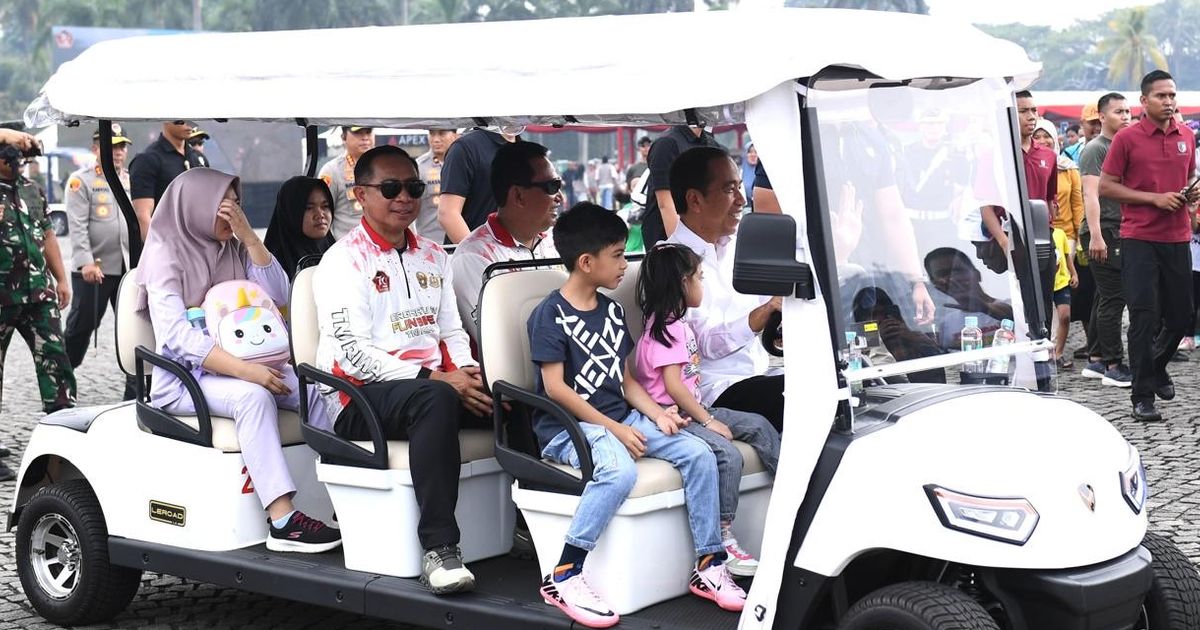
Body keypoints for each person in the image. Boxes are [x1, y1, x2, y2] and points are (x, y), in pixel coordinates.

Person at [529, 202, 744, 628]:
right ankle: (565, 573)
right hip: (569, 428)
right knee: (618, 471)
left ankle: (709, 562)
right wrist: (615, 429)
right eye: (616, 255)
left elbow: (626, 380)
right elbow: (556, 389)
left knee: (699, 454)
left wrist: (658, 413)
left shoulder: (610, 311)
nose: (625, 263)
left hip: (620, 418)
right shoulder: (549, 315)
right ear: (587, 262)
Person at [313, 145, 488, 594]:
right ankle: (439, 548)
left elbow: (451, 332)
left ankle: (536, 525)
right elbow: (352, 352)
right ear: (359, 196)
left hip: (433, 387)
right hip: (357, 396)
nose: (404, 197)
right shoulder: (342, 261)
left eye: (412, 187)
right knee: (435, 399)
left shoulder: (434, 255)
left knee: (509, 393)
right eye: (390, 188)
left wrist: (467, 374)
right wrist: (437, 380)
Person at [136, 168, 341, 552]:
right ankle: (283, 520)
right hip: (185, 379)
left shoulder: (232, 246)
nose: (232, 215)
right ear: (197, 207)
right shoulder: (165, 255)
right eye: (224, 207)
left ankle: (348, 491)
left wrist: (249, 237)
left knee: (318, 391)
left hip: (251, 362)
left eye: (238, 206)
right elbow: (177, 338)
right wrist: (249, 373)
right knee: (253, 398)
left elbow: (280, 294)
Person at [632, 242, 779, 577]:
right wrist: (709, 420)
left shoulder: (679, 324)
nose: (703, 284)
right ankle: (723, 536)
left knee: (757, 424)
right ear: (682, 284)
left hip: (693, 407)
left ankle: (793, 493)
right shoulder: (666, 329)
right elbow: (673, 388)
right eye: (699, 277)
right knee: (727, 454)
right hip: (677, 414)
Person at [1099, 70, 1198, 422]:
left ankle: (1154, 366)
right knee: (1144, 315)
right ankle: (1142, 396)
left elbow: (1186, 178)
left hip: (1177, 237)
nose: (1169, 101)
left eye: (1173, 95)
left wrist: (1190, 193)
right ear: (1144, 101)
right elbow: (1106, 187)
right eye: (1161, 96)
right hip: (1138, 237)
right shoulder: (1127, 139)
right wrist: (1153, 200)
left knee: (1182, 315)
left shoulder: (1187, 135)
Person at [665, 147, 784, 430]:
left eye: (740, 188)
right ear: (695, 200)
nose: (742, 200)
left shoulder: (741, 248)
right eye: (730, 190)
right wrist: (762, 315)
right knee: (804, 398)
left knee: (855, 381)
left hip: (763, 370)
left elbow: (775, 307)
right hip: (715, 390)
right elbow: (703, 345)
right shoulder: (670, 261)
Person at [0, 128, 75, 482]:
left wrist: (61, 279)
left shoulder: (32, 190)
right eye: (13, 157)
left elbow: (47, 235)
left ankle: (63, 447)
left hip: (38, 297)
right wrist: (10, 134)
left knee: (57, 366)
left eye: (22, 159)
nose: (19, 165)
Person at [451, 141, 559, 342]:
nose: (559, 197)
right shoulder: (473, 257)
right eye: (552, 187)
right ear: (518, 195)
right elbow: (496, 340)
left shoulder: (555, 242)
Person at [63, 126, 136, 399]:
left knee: (134, 329)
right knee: (80, 328)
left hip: (127, 269)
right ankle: (61, 380)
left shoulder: (131, 180)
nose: (118, 152)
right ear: (96, 148)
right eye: (112, 146)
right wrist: (85, 263)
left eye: (122, 146)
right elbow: (78, 226)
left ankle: (136, 391)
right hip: (94, 270)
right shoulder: (81, 181)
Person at [1078, 92, 1133, 388]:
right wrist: (1096, 235)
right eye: (1118, 112)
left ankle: (1097, 358)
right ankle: (1114, 365)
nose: (1125, 116)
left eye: (1127, 111)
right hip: (1105, 231)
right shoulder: (1096, 149)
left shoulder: (1123, 146)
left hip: (1118, 228)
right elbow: (1090, 194)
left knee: (1104, 296)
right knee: (1114, 298)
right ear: (1102, 117)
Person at [642, 125, 724, 246]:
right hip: (667, 242)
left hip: (701, 238)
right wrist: (682, 250)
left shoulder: (710, 143)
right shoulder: (667, 144)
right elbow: (666, 204)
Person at [439, 127, 519, 243]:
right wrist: (478, 253)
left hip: (517, 253)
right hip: (475, 254)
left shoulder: (524, 149)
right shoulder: (466, 147)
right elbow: (448, 213)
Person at [129, 120, 205, 240]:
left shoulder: (198, 158)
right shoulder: (147, 160)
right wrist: (160, 251)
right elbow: (143, 215)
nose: (188, 123)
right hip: (168, 243)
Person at [262, 176, 335, 280]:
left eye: (325, 206)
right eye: (309, 208)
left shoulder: (337, 250)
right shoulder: (272, 265)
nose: (320, 214)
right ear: (290, 212)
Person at [318, 126, 375, 240]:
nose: (365, 138)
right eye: (358, 133)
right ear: (343, 137)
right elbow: (320, 213)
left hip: (384, 249)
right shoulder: (332, 171)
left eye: (368, 132)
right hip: (349, 250)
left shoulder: (385, 167)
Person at [414, 128, 458, 244]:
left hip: (459, 240)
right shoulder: (419, 167)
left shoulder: (464, 164)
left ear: (454, 135)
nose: (436, 139)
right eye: (432, 134)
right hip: (430, 242)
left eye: (442, 133)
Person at [1050, 226, 1079, 366]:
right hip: (1045, 283)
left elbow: (1066, 256)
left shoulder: (1060, 233)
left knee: (1065, 316)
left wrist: (1074, 273)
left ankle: (1059, 353)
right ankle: (1046, 352)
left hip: (1061, 282)